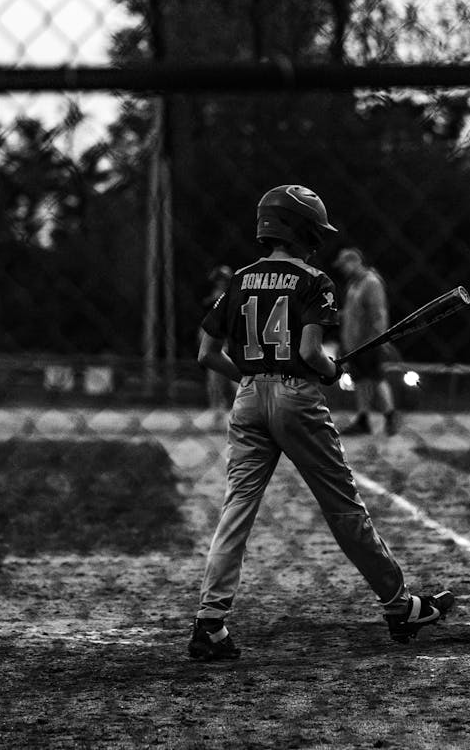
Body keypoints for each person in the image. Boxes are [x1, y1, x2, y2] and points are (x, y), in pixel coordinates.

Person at [189, 184, 453, 661]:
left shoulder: (241, 278)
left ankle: (210, 623)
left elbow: (208, 353)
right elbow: (312, 353)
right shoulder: (314, 281)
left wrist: (249, 377)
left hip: (247, 401)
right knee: (342, 506)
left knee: (237, 509)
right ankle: (400, 606)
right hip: (296, 399)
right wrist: (332, 373)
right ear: (303, 230)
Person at [333, 247, 398, 436]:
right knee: (360, 380)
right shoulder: (354, 284)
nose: (343, 269)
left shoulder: (371, 282)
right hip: (354, 344)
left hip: (369, 341)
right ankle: (363, 419)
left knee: (376, 378)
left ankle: (390, 415)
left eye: (344, 265)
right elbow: (354, 313)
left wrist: (379, 339)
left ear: (355, 261)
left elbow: (379, 313)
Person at [199, 265, 237, 427]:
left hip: (231, 345)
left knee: (237, 381)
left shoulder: (231, 297)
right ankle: (217, 412)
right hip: (218, 346)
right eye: (218, 281)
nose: (220, 283)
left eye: (222, 280)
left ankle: (241, 410)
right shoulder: (216, 299)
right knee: (215, 382)